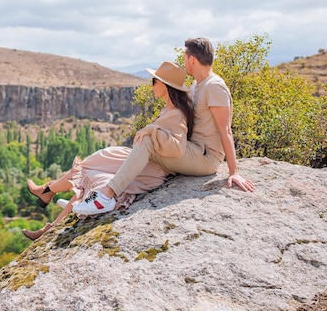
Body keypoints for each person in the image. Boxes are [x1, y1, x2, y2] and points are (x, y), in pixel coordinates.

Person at [72, 37, 255, 216]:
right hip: (189, 150)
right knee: (134, 152)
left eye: (185, 58)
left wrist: (234, 172)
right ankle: (92, 195)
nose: (184, 62)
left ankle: (106, 197)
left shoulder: (215, 86)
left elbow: (226, 130)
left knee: (150, 140)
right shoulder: (196, 85)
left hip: (205, 157)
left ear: (192, 59)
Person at [22, 61, 194, 240]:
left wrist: (151, 130)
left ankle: (49, 204)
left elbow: (176, 148)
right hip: (146, 160)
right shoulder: (169, 109)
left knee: (97, 178)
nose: (152, 86)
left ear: (165, 86)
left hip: (153, 168)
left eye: (154, 81)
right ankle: (49, 195)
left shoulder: (176, 114)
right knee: (95, 163)